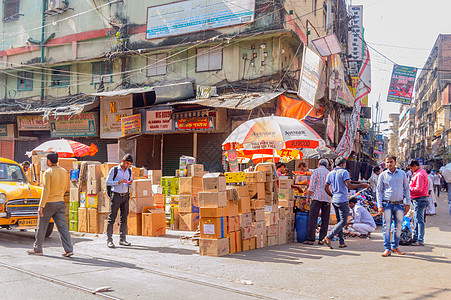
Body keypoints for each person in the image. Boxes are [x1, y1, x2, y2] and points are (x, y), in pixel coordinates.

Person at [27, 152, 73, 257]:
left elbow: (46, 190)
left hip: (49, 203)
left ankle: (37, 249)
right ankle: (69, 249)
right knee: (63, 227)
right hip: (60, 202)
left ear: (49, 160)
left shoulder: (48, 172)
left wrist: (41, 206)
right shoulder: (64, 171)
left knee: (41, 226)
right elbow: (65, 187)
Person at [324, 157, 369, 249]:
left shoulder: (331, 173)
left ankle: (341, 242)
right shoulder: (344, 172)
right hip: (342, 200)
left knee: (339, 221)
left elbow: (326, 187)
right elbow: (349, 185)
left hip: (335, 200)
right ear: (343, 164)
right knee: (343, 221)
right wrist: (361, 185)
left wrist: (332, 195)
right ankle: (329, 237)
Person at [377, 155, 411, 257]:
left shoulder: (402, 174)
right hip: (387, 204)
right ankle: (387, 248)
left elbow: (406, 189)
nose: (389, 164)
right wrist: (379, 205)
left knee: (398, 227)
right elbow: (379, 191)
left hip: (400, 204)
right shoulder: (382, 175)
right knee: (386, 227)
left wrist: (408, 203)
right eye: (387, 162)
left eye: (391, 162)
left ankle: (395, 246)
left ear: (395, 162)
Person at [106, 154, 134, 248]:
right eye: (126, 163)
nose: (127, 165)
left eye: (129, 164)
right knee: (112, 218)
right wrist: (118, 182)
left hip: (125, 196)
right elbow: (108, 182)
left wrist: (130, 184)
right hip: (116, 195)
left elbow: (131, 183)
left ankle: (123, 239)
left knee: (124, 218)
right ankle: (109, 240)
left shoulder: (130, 171)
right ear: (122, 160)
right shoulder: (114, 170)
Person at [304, 158, 331, 245]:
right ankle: (321, 239)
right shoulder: (329, 173)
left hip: (317, 197)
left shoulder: (315, 172)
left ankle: (311, 239)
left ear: (318, 164)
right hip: (327, 198)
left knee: (313, 218)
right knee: (325, 220)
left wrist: (308, 197)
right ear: (326, 166)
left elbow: (311, 187)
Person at [409, 160, 429, 246]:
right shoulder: (419, 173)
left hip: (420, 199)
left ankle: (420, 240)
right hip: (419, 199)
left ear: (415, 166)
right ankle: (416, 237)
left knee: (419, 220)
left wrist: (409, 188)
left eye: (411, 168)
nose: (410, 170)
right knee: (416, 219)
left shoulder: (419, 175)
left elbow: (419, 189)